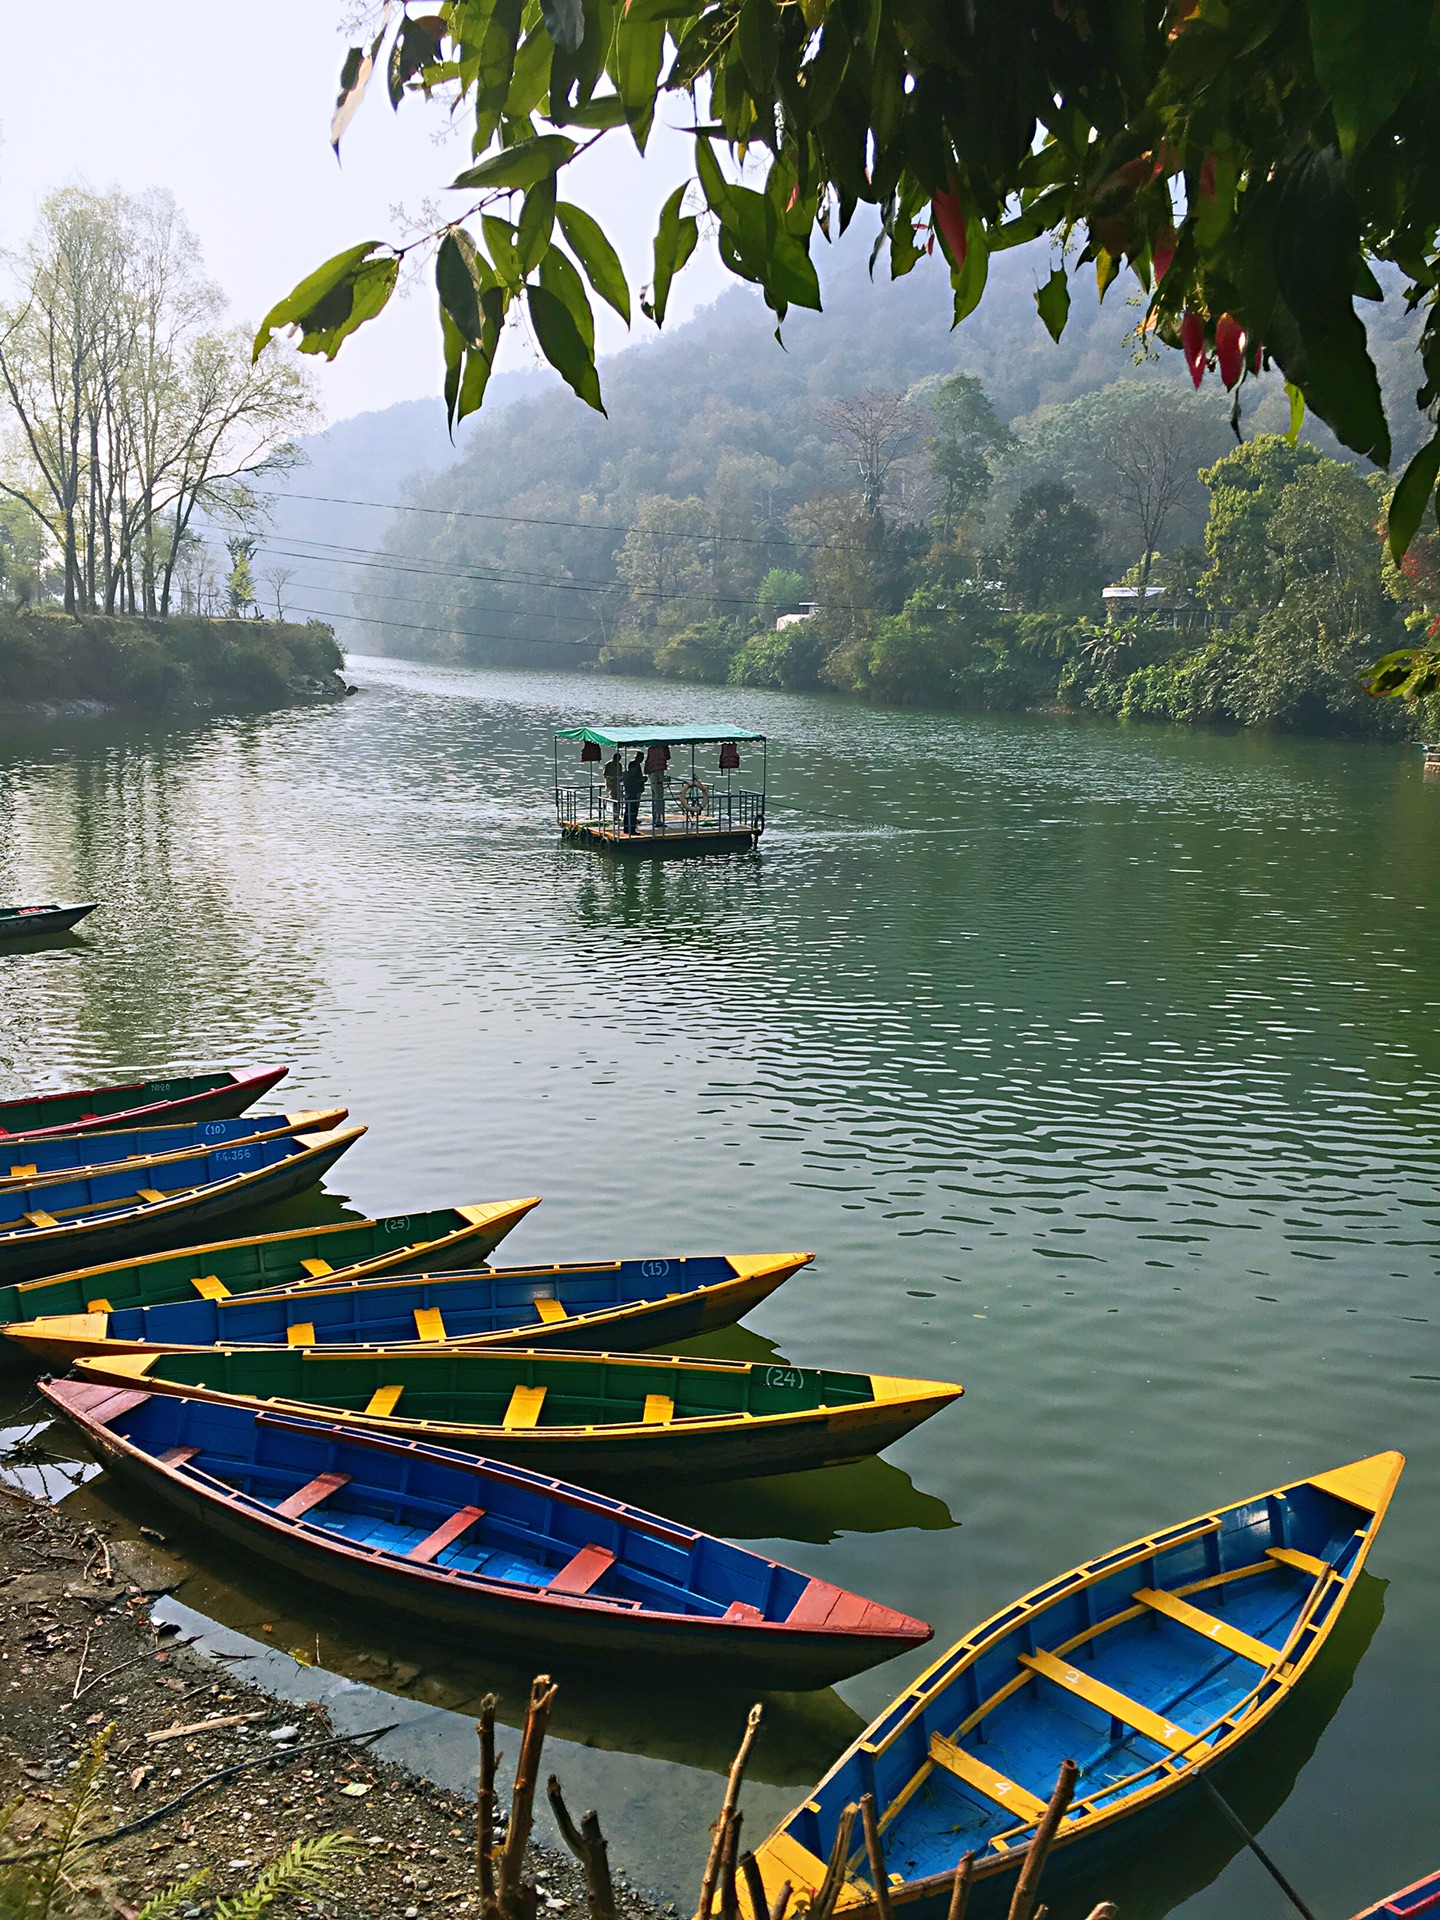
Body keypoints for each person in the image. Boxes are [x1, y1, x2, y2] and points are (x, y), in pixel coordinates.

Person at [622, 753, 645, 834]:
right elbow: (634, 783)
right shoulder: (630, 776)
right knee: (632, 813)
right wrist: (641, 781)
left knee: (627, 813)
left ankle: (626, 829)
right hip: (632, 795)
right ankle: (631, 830)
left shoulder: (626, 775)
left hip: (629, 795)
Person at [603, 749, 622, 826]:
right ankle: (614, 815)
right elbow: (604, 775)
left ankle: (617, 815)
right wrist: (610, 777)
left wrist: (619, 777)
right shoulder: (608, 764)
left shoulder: (619, 765)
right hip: (610, 784)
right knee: (613, 798)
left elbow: (621, 774)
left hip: (617, 784)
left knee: (618, 800)